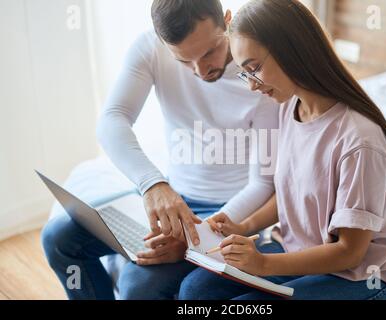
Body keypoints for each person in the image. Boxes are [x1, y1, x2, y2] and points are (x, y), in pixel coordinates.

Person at [180, 0, 386, 300]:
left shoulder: (360, 141)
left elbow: (350, 252)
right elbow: (294, 192)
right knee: (195, 289)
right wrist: (243, 226)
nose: (252, 86)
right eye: (244, 73)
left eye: (254, 69)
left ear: (292, 50)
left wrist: (264, 263)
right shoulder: (290, 108)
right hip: (303, 250)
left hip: (363, 274)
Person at [41, 0, 278, 300]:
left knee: (137, 287)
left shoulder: (260, 78)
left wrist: (197, 238)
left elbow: (263, 183)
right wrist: (152, 183)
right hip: (173, 204)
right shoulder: (150, 48)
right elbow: (112, 119)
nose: (200, 70)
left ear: (227, 21)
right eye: (184, 61)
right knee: (57, 239)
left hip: (228, 212)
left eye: (209, 52)